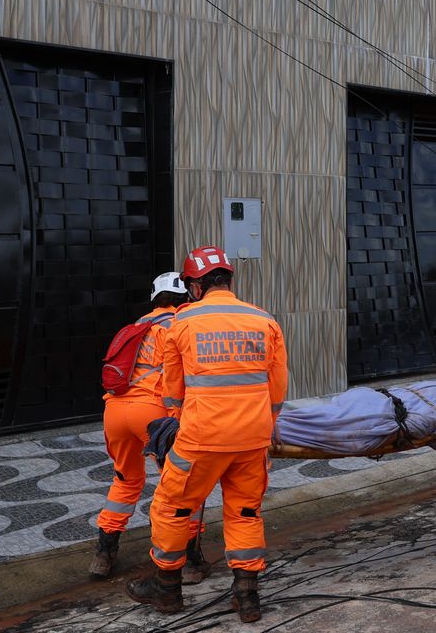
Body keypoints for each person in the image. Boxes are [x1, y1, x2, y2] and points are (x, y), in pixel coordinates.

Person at [126, 247, 289, 623]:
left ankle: (167, 590)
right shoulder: (263, 320)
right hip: (252, 438)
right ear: (227, 280)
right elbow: (277, 387)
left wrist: (176, 421)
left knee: (172, 507)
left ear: (196, 285)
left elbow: (172, 390)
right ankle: (247, 596)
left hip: (201, 438)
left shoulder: (181, 322)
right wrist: (265, 425)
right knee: (245, 511)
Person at [90, 273, 210, 582]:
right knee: (182, 485)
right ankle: (190, 559)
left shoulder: (134, 327)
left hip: (115, 411)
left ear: (155, 299)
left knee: (126, 480)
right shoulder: (182, 325)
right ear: (188, 298)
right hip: (154, 414)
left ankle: (104, 552)